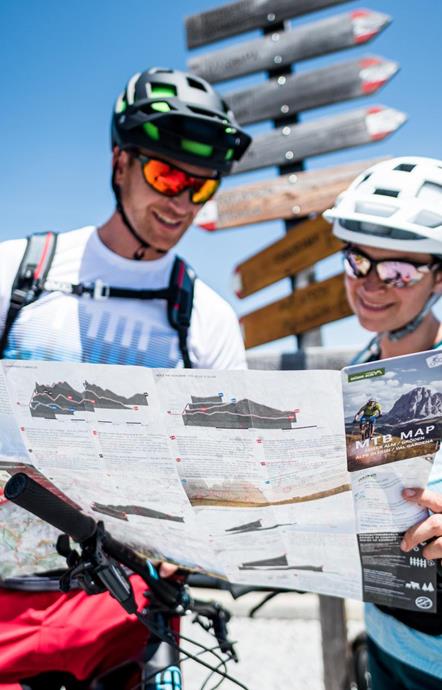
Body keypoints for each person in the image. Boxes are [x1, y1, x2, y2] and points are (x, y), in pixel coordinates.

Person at [0, 66, 251, 688]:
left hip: (126, 615)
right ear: (120, 161)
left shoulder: (208, 317)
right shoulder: (17, 273)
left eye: (200, 188)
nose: (180, 202)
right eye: (166, 175)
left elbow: (229, 473)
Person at [324, 156, 442, 689]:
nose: (370, 284)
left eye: (398, 270)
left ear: (438, 276)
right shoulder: (357, 376)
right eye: (357, 262)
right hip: (389, 643)